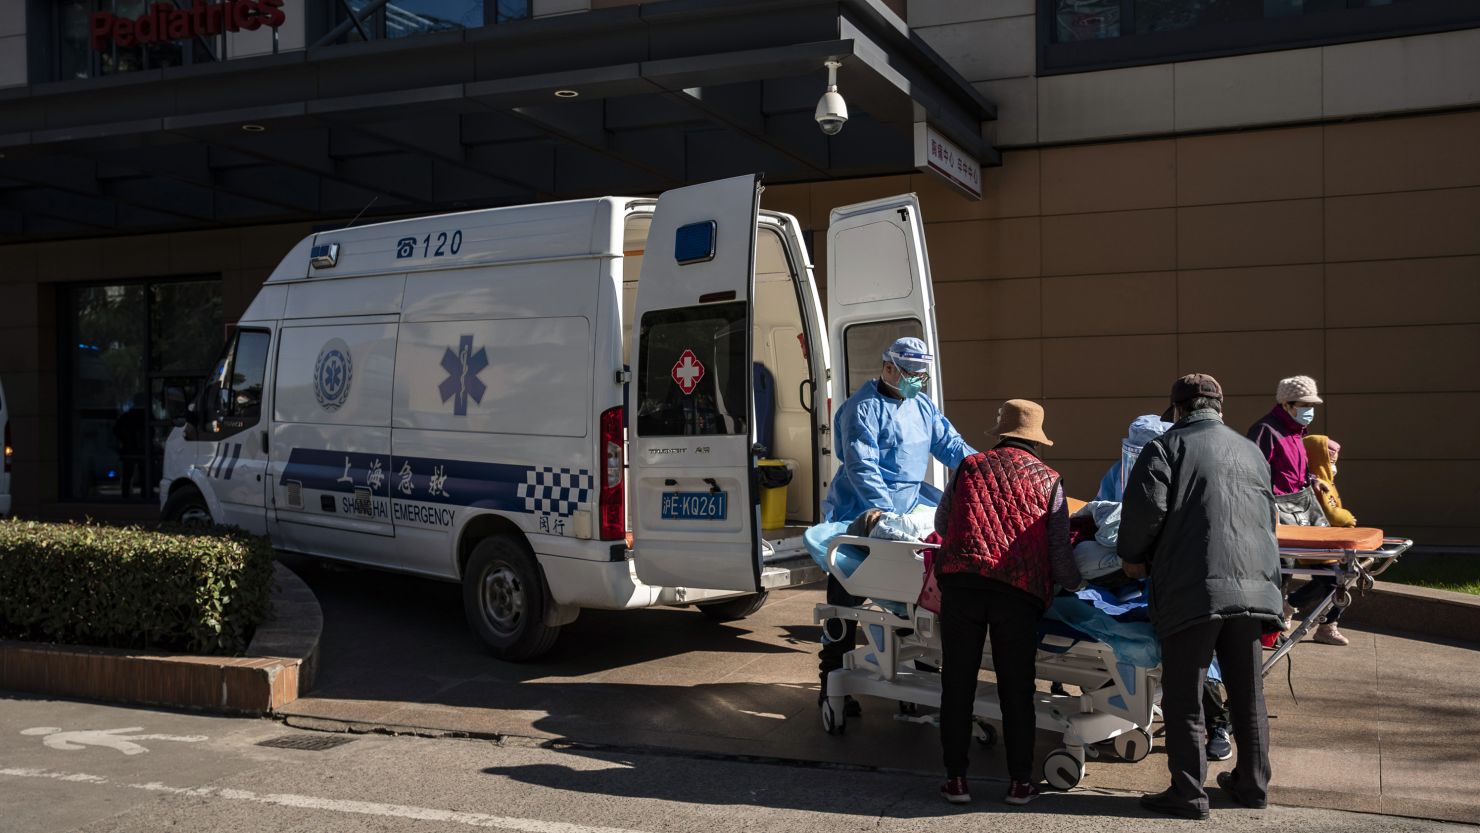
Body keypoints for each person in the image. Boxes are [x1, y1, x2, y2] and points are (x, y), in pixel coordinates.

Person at [1119, 374, 1283, 820]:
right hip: (1254, 586)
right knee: (1247, 692)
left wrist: (1132, 557)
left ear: (1177, 409)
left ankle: (1188, 793)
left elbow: (1142, 518)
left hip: (1196, 588)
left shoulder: (1165, 448)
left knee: (1184, 693)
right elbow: (1269, 518)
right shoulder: (1252, 450)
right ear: (1219, 406)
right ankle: (1252, 785)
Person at [932, 399, 1082, 807]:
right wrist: (1075, 585)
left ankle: (956, 780)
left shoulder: (970, 466)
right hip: (1017, 594)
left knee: (957, 684)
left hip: (962, 585)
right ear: (1037, 440)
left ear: (1001, 433)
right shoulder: (1050, 480)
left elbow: (942, 523)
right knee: (1016, 690)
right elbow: (1057, 549)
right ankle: (1020, 783)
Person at [817, 337, 975, 713]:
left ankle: (915, 687)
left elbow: (953, 447)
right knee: (844, 606)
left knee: (912, 603)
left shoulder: (922, 407)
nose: (917, 381)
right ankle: (831, 684)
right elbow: (862, 467)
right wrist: (885, 517)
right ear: (888, 367)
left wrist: (988, 471)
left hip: (907, 516)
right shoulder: (861, 409)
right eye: (910, 374)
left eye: (922, 375)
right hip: (861, 517)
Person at [1095, 414, 1238, 762]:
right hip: (1130, 574)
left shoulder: (1186, 472)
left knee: (1198, 656)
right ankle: (1114, 708)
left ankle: (1217, 723)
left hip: (1178, 577)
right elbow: (1107, 512)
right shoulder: (1118, 473)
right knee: (1120, 637)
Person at [1286, 435, 1356, 646]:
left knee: (1323, 583)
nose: (1333, 466)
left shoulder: (1322, 481)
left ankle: (1289, 605)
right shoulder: (1317, 484)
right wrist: (1348, 518)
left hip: (1325, 544)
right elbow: (1331, 513)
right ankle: (1327, 626)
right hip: (1317, 544)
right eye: (1330, 461)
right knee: (1337, 585)